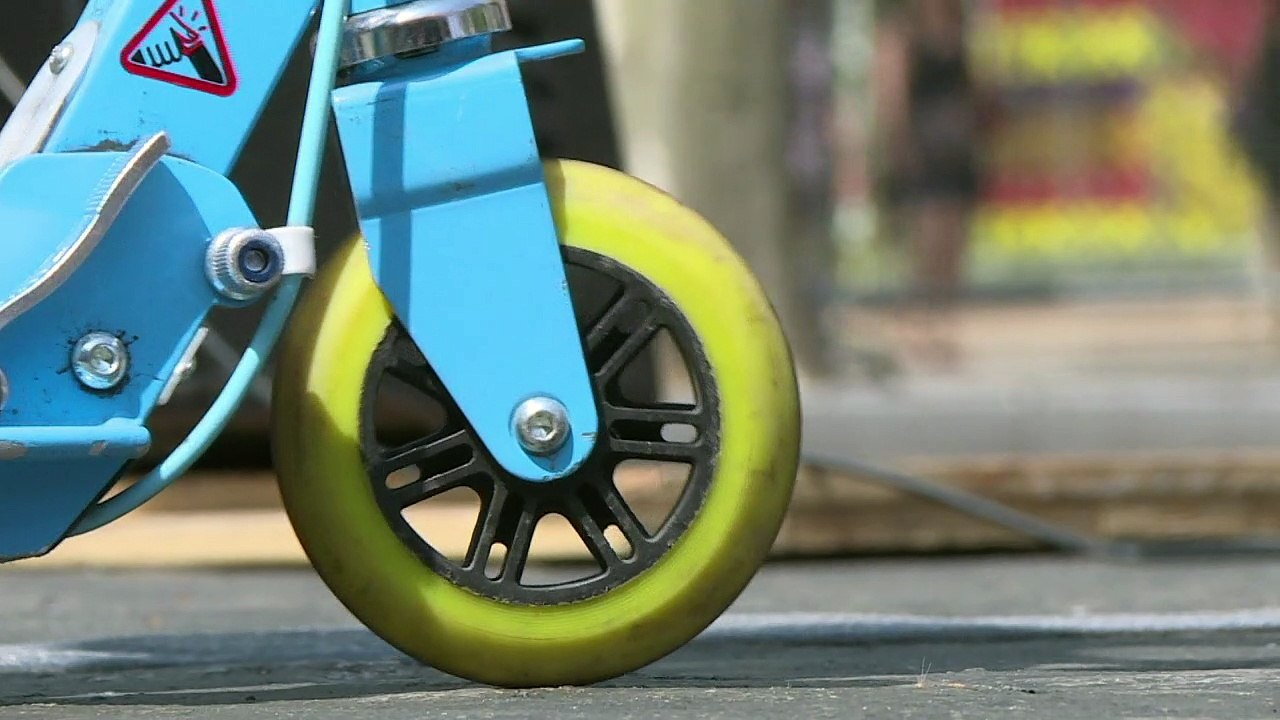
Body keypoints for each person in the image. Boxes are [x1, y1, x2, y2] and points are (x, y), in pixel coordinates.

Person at [874, 0, 984, 369]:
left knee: (953, 243)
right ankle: (917, 326)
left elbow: (975, 91)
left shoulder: (961, 32)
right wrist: (901, 149)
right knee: (927, 240)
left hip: (957, 151)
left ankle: (944, 326)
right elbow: (893, 97)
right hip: (923, 153)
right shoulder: (904, 34)